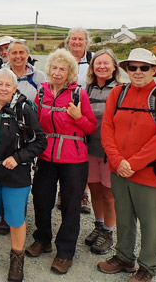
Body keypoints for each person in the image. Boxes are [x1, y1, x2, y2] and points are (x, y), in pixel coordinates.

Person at [98, 48, 156, 282]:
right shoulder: (118, 93)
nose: (138, 72)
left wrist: (132, 163)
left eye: (144, 67)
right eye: (132, 67)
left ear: (154, 70)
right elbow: (107, 129)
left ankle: (147, 268)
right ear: (126, 70)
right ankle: (124, 258)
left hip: (150, 173)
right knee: (124, 217)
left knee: (150, 223)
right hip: (119, 169)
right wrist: (117, 161)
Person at [26, 48, 97, 275]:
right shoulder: (41, 92)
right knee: (41, 197)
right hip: (46, 155)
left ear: (70, 72)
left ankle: (65, 252)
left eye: (62, 69)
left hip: (74, 158)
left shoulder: (79, 94)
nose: (57, 73)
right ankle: (43, 239)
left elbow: (91, 127)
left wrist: (78, 116)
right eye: (54, 68)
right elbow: (35, 123)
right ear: (49, 70)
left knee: (70, 204)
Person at [0, 68, 47, 280]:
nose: (3, 88)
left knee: (15, 218)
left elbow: (40, 141)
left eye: (8, 85)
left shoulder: (24, 110)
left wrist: (19, 157)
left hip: (16, 175)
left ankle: (17, 258)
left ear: (14, 88)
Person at [84, 49, 122, 255]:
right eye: (98, 63)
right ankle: (98, 225)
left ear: (114, 67)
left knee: (109, 195)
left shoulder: (121, 90)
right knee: (95, 191)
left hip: (109, 151)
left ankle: (108, 231)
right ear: (92, 67)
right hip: (90, 149)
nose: (102, 67)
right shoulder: (87, 89)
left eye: (106, 63)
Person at [64, 27, 94, 214]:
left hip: (87, 109)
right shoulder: (62, 57)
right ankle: (63, 191)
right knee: (64, 150)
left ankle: (83, 193)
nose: (76, 42)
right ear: (68, 41)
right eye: (73, 39)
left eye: (80, 39)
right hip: (65, 109)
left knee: (86, 153)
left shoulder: (92, 60)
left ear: (86, 42)